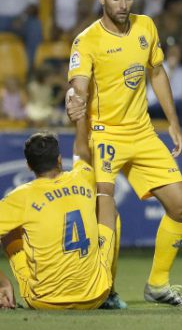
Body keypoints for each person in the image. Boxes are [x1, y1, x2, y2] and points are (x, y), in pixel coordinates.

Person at [67, 0, 182, 308]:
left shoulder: (146, 26)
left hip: (141, 131)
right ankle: (103, 289)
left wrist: (173, 121)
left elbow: (157, 71)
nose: (123, 5)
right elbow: (78, 87)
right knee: (105, 205)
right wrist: (74, 103)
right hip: (103, 133)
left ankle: (157, 285)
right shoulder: (87, 40)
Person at [0, 109, 116, 310]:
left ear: (29, 166)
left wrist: (3, 282)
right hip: (96, 295)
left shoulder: (20, 197)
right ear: (60, 160)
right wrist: (79, 121)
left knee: (10, 229)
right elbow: (82, 152)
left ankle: (6, 292)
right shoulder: (83, 177)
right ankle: (112, 291)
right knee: (106, 201)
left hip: (45, 302)